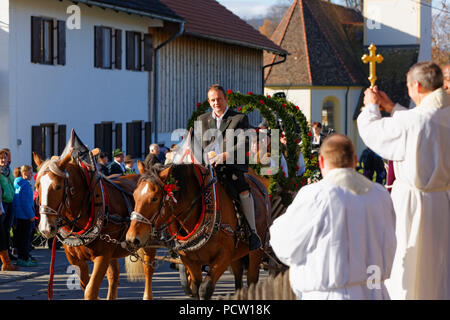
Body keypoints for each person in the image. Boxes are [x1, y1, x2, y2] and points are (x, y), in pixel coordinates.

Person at [357, 61, 450, 299]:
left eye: (408, 85)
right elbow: (424, 120)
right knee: (439, 269)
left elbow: (373, 132)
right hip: (444, 203)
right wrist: (391, 106)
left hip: (414, 205)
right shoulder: (441, 115)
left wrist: (370, 107)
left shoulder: (411, 122)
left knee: (409, 270)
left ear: (416, 86)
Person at [270, 134, 396, 300]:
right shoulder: (380, 195)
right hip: (375, 291)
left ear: (321, 161)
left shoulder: (316, 195)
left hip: (331, 293)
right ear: (355, 160)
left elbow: (286, 244)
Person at [196, 84, 261, 250]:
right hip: (208, 167)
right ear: (209, 101)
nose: (216, 102)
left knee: (243, 190)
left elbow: (244, 143)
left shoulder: (239, 118)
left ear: (226, 99)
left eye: (219, 99)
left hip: (230, 166)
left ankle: (252, 232)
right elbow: (196, 144)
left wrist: (224, 155)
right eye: (212, 100)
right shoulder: (202, 120)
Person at [12, 165, 38, 267]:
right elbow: (26, 203)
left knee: (19, 237)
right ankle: (24, 259)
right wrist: (31, 215)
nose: (32, 175)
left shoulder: (16, 183)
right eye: (30, 173)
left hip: (18, 216)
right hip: (26, 216)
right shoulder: (25, 185)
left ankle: (21, 258)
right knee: (25, 239)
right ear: (24, 173)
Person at [0, 149, 17, 271]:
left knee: (7, 230)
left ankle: (7, 258)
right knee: (1, 231)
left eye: (5, 158)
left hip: (10, 202)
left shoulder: (8, 170)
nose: (3, 160)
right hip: (2, 204)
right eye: (1, 158)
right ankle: (5, 261)